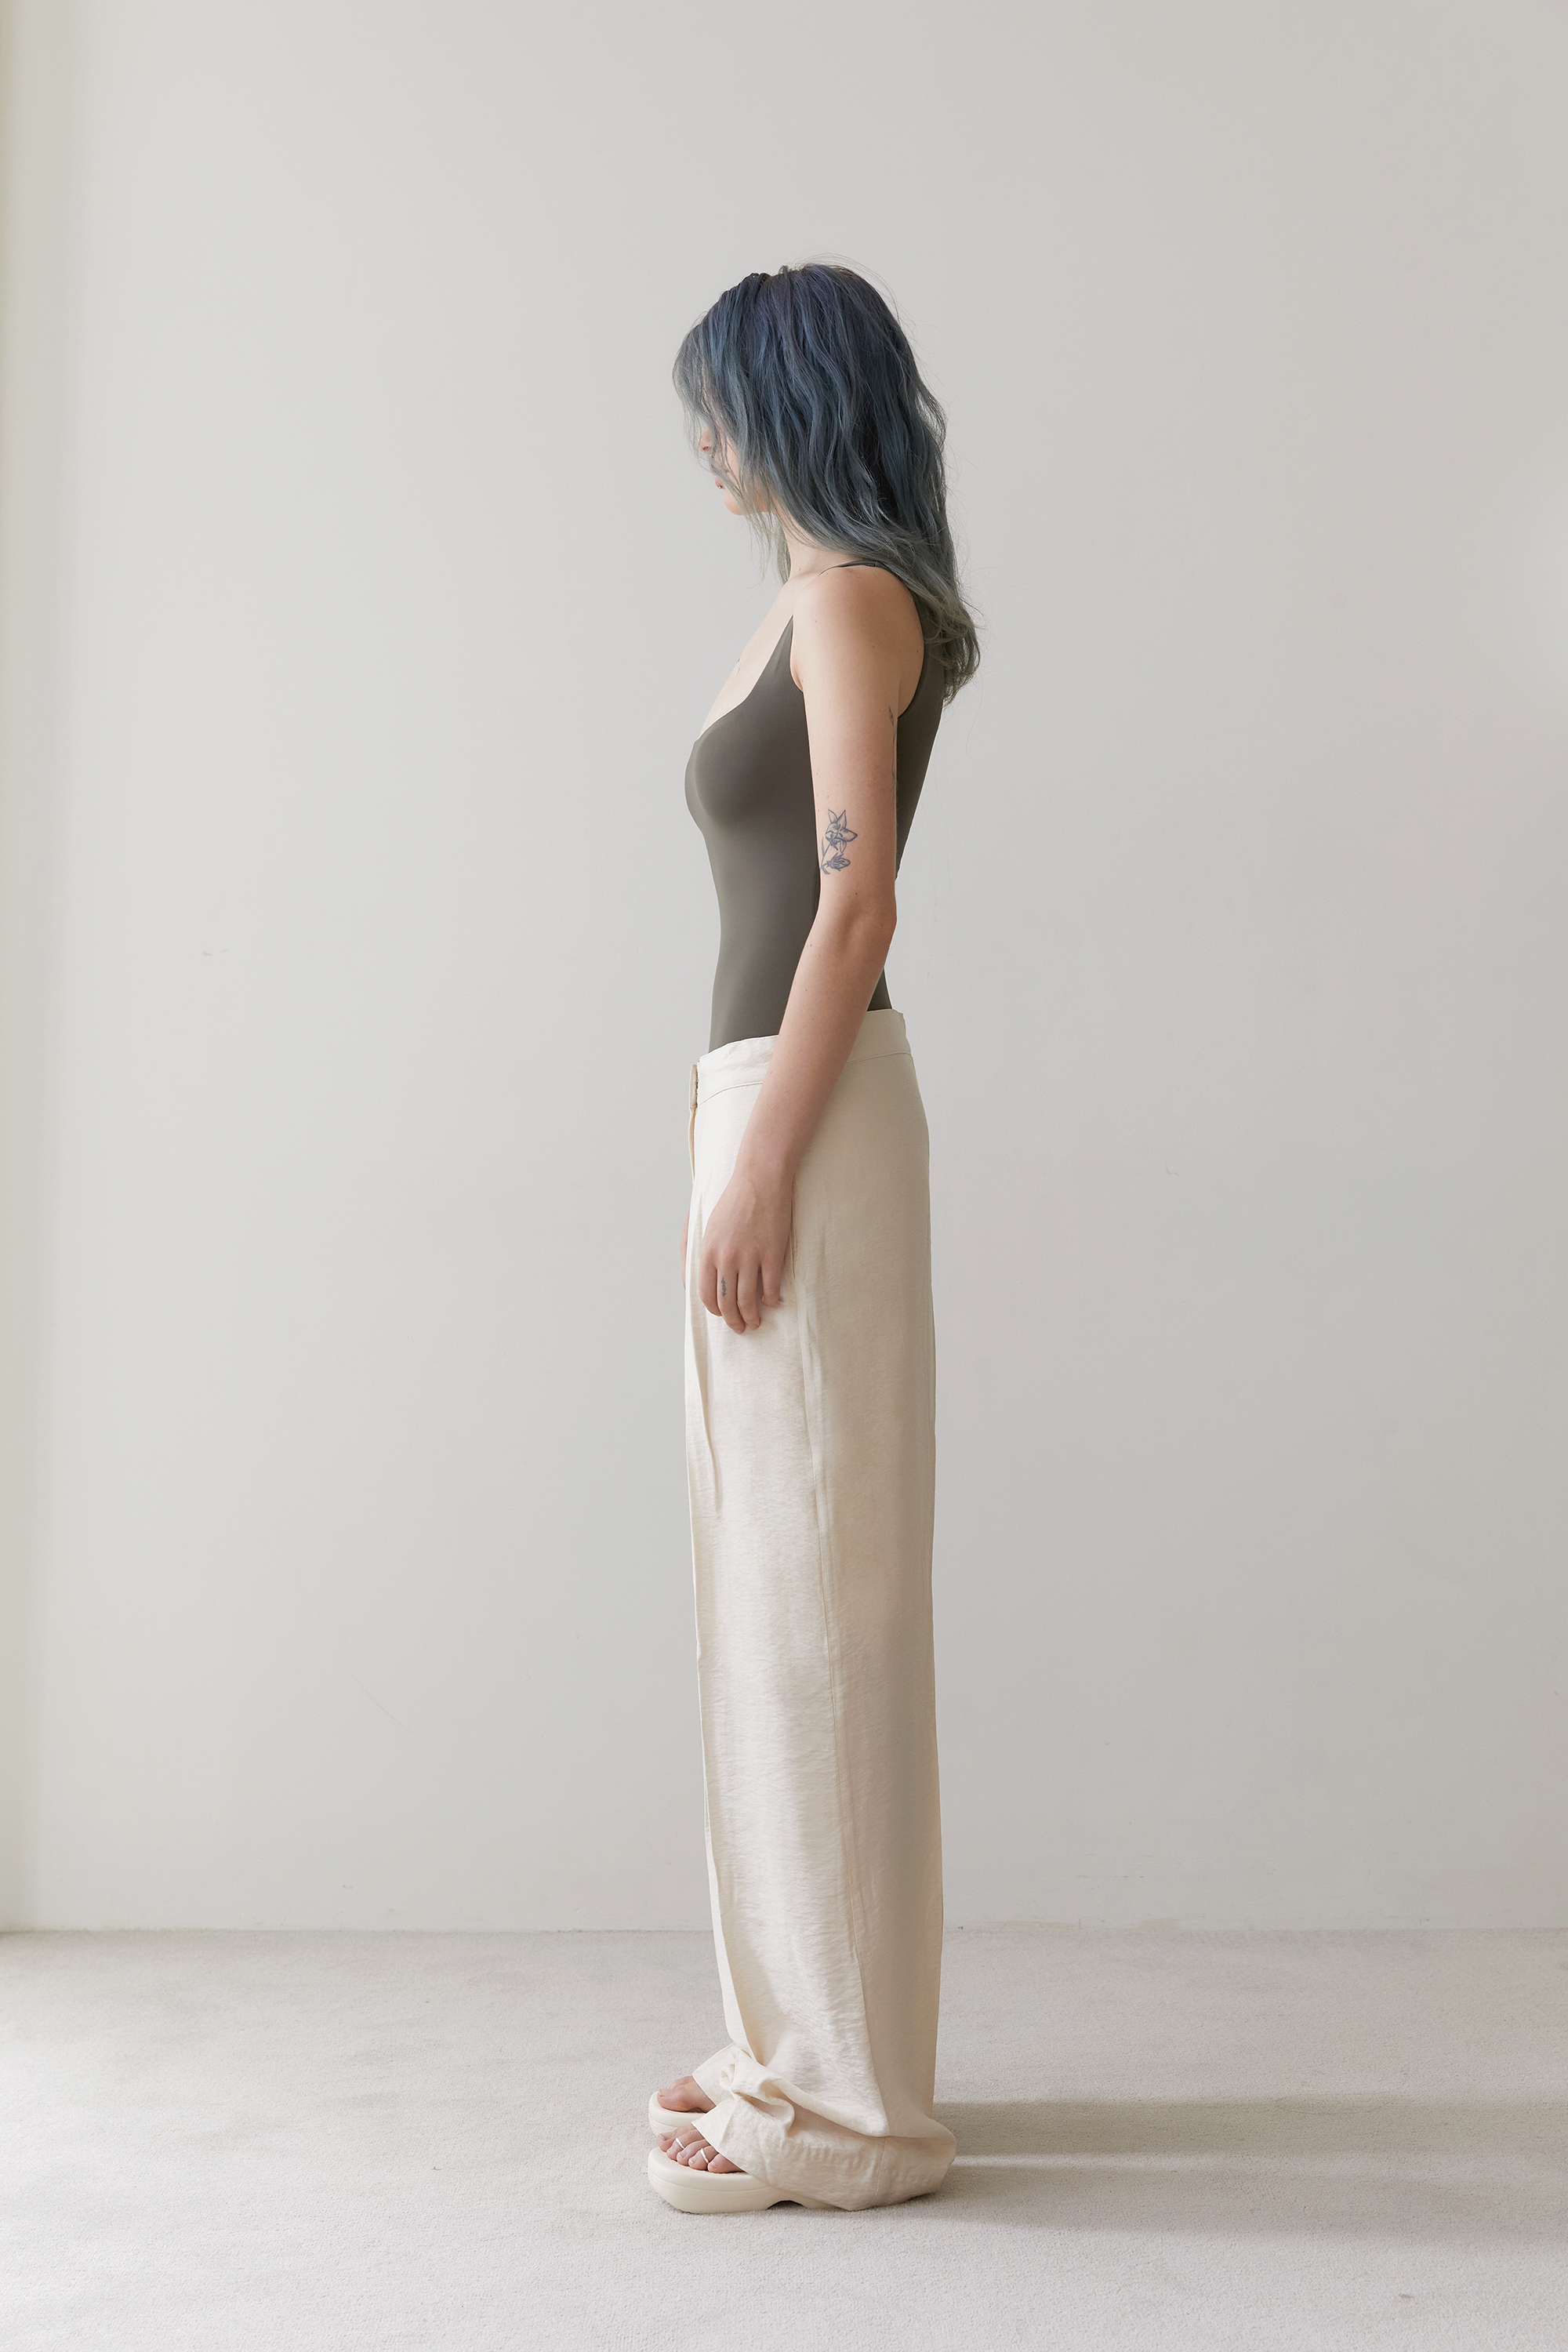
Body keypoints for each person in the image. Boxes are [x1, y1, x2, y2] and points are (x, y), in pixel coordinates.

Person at [647, 263, 979, 2216]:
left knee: (820, 1599)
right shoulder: (802, 594)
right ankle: (802, 2040)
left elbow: (855, 907)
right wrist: (735, 1134)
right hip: (764, 1103)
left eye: (722, 402)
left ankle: (854, 2119)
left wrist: (766, 1160)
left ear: (792, 400)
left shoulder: (850, 599)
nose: (700, 439)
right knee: (765, 1592)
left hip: (810, 1111)